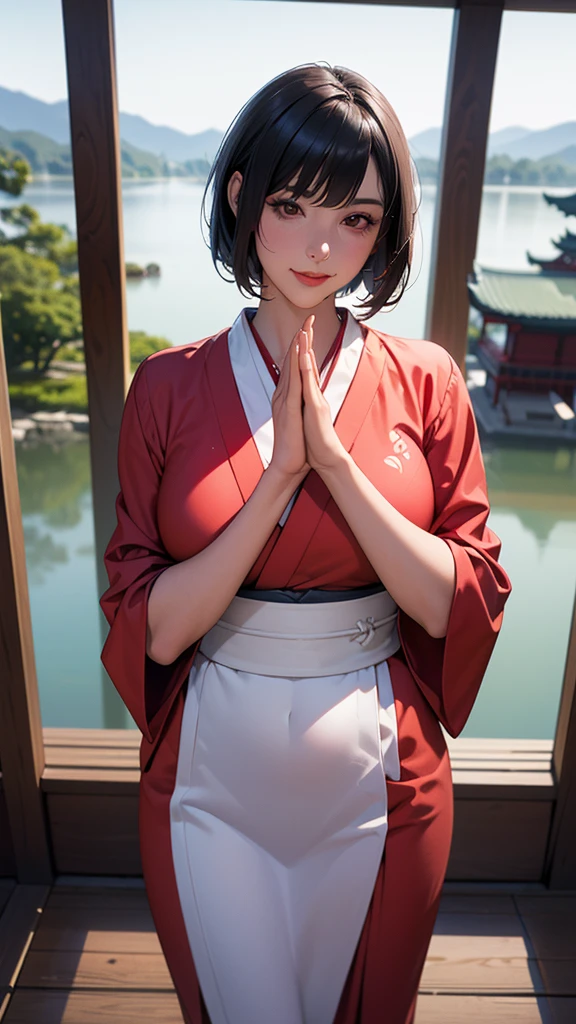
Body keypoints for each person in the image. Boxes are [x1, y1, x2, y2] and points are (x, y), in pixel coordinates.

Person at [100, 63, 512, 1024]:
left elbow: (468, 591)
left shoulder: (429, 381)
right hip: (212, 780)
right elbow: (148, 626)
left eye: (358, 219)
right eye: (292, 205)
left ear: (386, 228)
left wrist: (336, 468)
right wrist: (279, 477)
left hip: (389, 779)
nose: (322, 246)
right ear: (243, 198)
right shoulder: (166, 385)